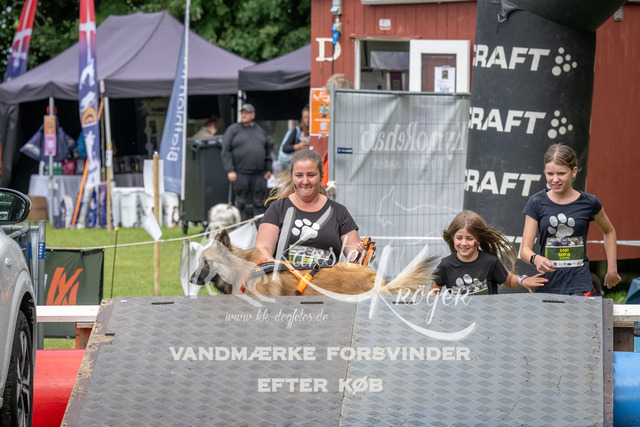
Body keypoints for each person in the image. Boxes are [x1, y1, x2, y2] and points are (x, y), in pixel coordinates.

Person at [520, 143, 620, 295]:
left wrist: (612, 269)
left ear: (574, 172)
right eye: (550, 174)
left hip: (579, 283)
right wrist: (536, 259)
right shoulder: (536, 202)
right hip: (547, 283)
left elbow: (609, 231)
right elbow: (524, 251)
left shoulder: (589, 202)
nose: (555, 179)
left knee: (576, 311)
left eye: (561, 173)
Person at [255, 149, 365, 267]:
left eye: (311, 175)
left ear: (321, 175)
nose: (305, 181)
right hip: (286, 278)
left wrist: (362, 255)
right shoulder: (277, 209)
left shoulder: (339, 212)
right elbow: (262, 250)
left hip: (327, 279)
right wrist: (279, 270)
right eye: (299, 175)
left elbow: (356, 258)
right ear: (292, 176)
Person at [429, 211, 546, 295]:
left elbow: (510, 281)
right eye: (459, 238)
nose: (464, 243)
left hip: (487, 320)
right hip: (458, 321)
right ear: (453, 238)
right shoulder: (446, 265)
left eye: (469, 238)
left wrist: (522, 281)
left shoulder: (490, 262)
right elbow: (434, 290)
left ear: (478, 239)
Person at [221, 104, 273, 220]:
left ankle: (259, 226)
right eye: (242, 113)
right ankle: (242, 225)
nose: (244, 115)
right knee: (242, 202)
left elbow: (267, 151)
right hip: (240, 173)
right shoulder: (233, 130)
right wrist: (230, 170)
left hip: (259, 174)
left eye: (247, 113)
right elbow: (226, 150)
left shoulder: (260, 131)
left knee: (259, 202)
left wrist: (269, 169)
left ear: (253, 115)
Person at [278, 105, 310, 170]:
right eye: (305, 117)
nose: (307, 120)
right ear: (302, 117)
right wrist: (298, 146)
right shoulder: (297, 130)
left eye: (309, 117)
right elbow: (285, 148)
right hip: (298, 164)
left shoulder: (316, 132)